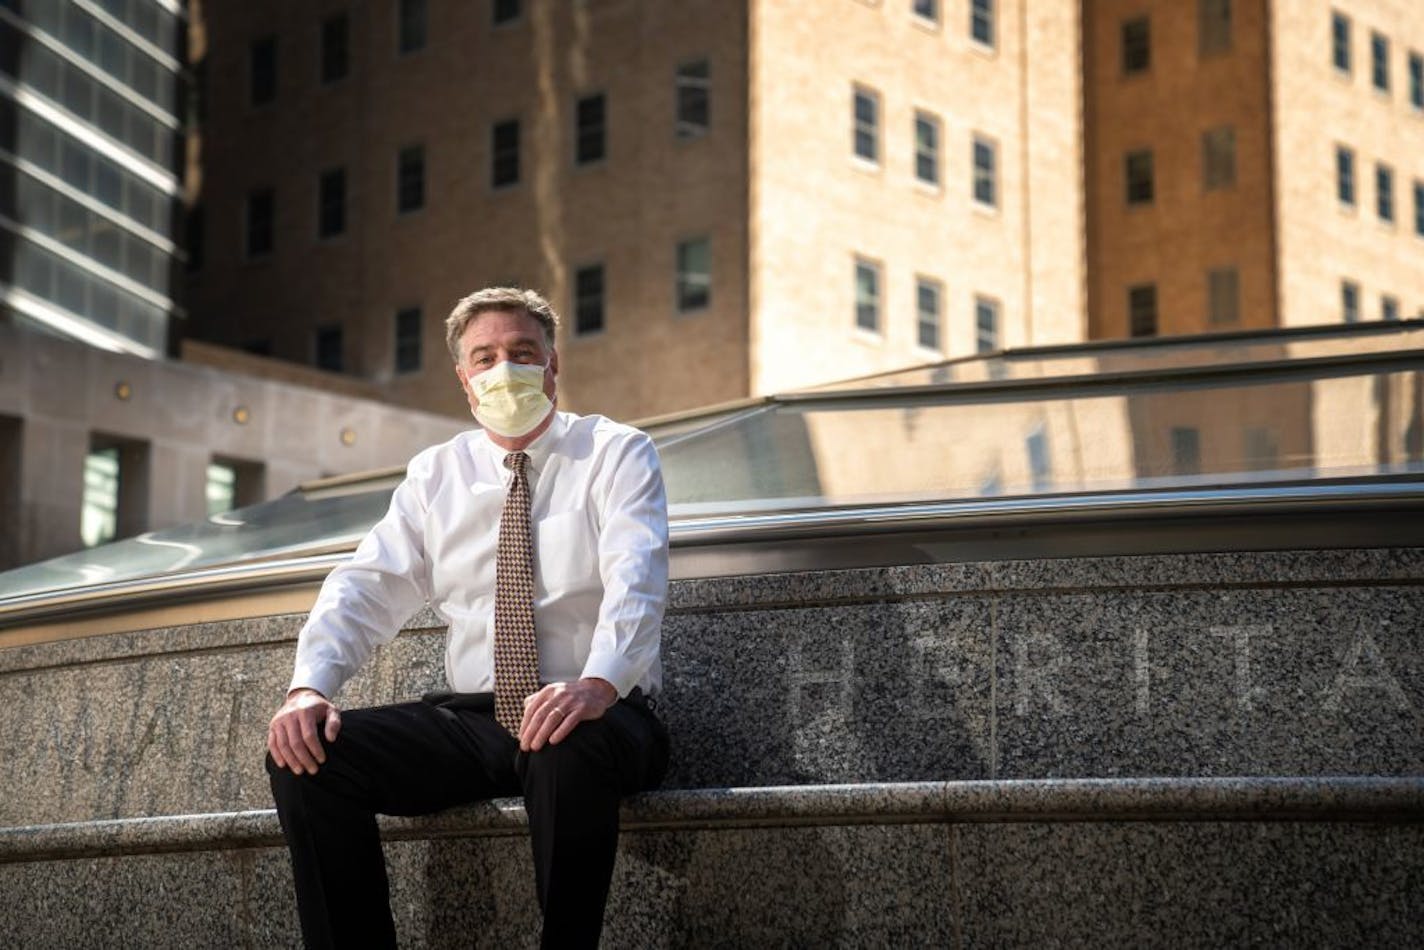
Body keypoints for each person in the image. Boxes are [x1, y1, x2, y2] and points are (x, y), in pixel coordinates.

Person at [265, 287, 670, 949]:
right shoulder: (436, 475)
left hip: (602, 713)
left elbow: (639, 575)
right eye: (485, 357)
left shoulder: (616, 452)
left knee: (562, 742)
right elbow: (366, 586)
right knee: (307, 758)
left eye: (522, 353)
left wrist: (597, 683)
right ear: (464, 378)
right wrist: (308, 687)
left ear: (553, 365)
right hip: (476, 721)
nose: (504, 369)